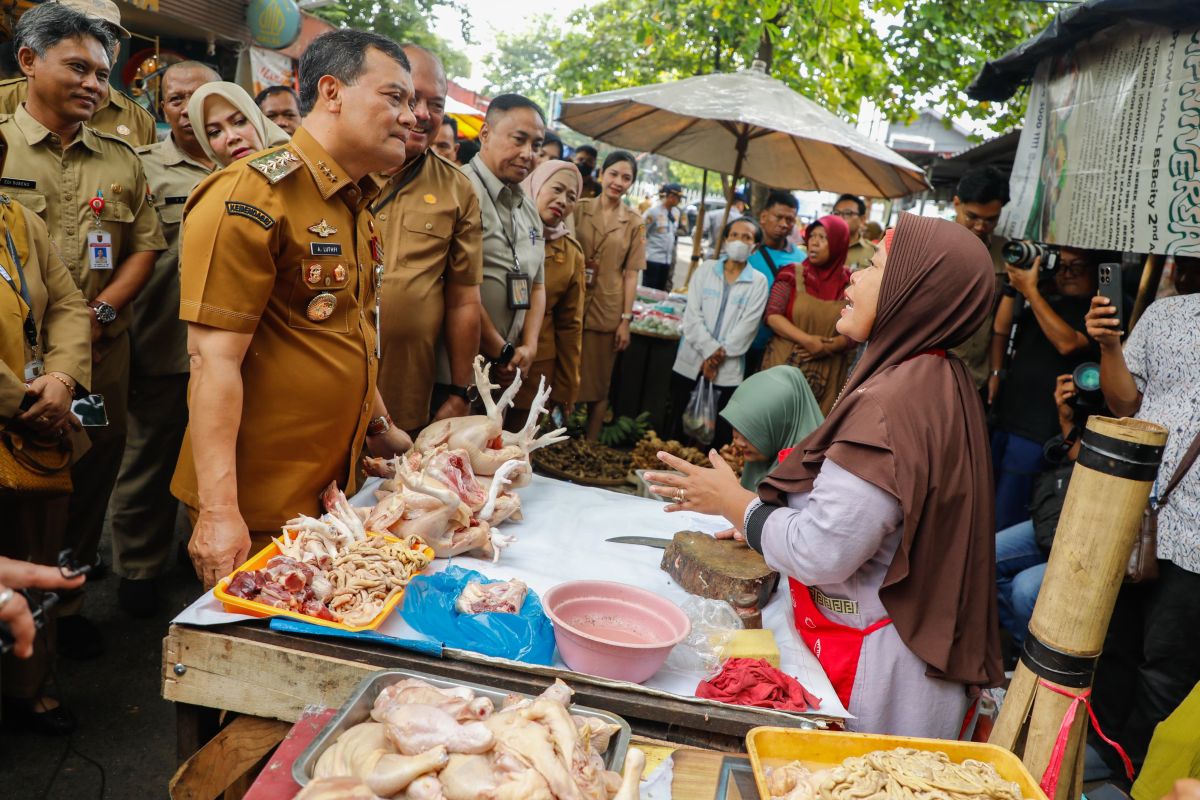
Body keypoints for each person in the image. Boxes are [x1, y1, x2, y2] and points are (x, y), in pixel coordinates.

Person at [645, 213, 1004, 737]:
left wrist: (735, 504)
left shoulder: (892, 403)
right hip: (897, 649)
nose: (854, 277)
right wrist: (761, 524)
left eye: (874, 265)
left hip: (873, 671)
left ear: (914, 289)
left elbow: (823, 550)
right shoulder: (936, 377)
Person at [172, 30, 416, 590]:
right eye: (395, 98)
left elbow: (344, 330)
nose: (412, 117)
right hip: (256, 506)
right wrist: (218, 512)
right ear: (332, 92)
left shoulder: (355, 203)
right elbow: (213, 361)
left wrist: (380, 427)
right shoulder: (251, 196)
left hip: (330, 497)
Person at [0, 2, 166, 659]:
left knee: (88, 481)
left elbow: (142, 249)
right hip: (12, 361)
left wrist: (99, 318)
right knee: (13, 491)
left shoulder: (121, 159)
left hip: (100, 353)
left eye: (104, 74)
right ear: (29, 62)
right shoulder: (1, 145)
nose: (96, 84)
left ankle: (62, 606)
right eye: (79, 67)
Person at [107, 61, 219, 618]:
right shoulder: (142, 168)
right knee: (148, 461)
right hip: (163, 346)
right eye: (175, 99)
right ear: (163, 106)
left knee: (217, 463)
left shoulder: (247, 162)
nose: (186, 108)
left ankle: (197, 551)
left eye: (197, 97)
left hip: (233, 355)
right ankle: (138, 569)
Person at [1086, 283, 1200, 778]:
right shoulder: (1167, 314)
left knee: (1167, 668)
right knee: (1113, 648)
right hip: (1139, 512)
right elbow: (1124, 404)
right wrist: (1110, 346)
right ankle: (1100, 757)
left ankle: (1134, 777)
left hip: (1197, 538)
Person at [0, 127, 92, 732]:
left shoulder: (19, 221)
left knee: (36, 554)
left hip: (38, 428)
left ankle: (28, 688)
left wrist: (59, 381)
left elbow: (66, 303)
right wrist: (16, 399)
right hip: (18, 413)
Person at [374, 44, 482, 435]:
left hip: (404, 393)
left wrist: (460, 390)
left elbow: (464, 299)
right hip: (321, 389)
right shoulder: (341, 168)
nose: (422, 114)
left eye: (435, 104)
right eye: (410, 98)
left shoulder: (457, 190)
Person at [988, 248, 1102, 530]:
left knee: (1005, 517)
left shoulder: (1099, 311)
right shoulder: (1046, 297)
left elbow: (1069, 343)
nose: (1067, 273)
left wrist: (1030, 291)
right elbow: (1002, 329)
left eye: (1077, 266)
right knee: (983, 503)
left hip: (1039, 429)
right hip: (1007, 417)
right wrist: (1012, 287)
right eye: (1061, 265)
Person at [464, 93, 547, 399]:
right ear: (485, 134)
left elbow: (537, 285)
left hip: (509, 365)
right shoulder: (460, 191)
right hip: (462, 365)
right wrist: (500, 349)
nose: (528, 153)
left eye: (536, 145)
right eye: (519, 139)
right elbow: (458, 288)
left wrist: (529, 346)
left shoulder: (526, 207)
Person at [994, 373, 1082, 655]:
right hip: (1064, 516)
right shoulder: (1099, 399)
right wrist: (1066, 418)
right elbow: (1079, 460)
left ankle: (1034, 662)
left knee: (1025, 589)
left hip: (1101, 532)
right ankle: (1022, 648)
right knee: (987, 555)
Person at [669, 217, 769, 448]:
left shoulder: (758, 282)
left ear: (755, 247)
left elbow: (747, 328)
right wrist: (710, 351)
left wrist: (715, 360)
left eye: (747, 237)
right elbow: (692, 317)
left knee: (716, 437)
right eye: (734, 235)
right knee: (677, 428)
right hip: (690, 362)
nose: (739, 241)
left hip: (727, 369)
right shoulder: (705, 270)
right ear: (725, 240)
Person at [0, 0, 156, 147]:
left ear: (117, 50)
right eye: (78, 29)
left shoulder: (139, 120)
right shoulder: (4, 98)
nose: (94, 43)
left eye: (107, 37)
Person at [573, 151, 645, 441]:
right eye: (614, 174)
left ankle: (588, 444)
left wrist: (625, 320)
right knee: (561, 375)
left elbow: (631, 274)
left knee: (599, 383)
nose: (618, 182)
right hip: (570, 303)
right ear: (602, 173)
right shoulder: (577, 208)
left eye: (626, 178)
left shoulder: (635, 222)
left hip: (607, 309)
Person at [510, 159, 585, 418]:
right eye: (557, 189)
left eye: (571, 196)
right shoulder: (504, 229)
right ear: (536, 185)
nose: (563, 200)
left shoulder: (571, 254)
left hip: (533, 371)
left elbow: (570, 327)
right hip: (485, 357)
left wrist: (565, 388)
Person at [760, 214, 854, 414]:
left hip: (827, 377)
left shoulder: (851, 284)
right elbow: (773, 315)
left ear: (839, 243)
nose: (814, 243)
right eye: (812, 236)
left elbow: (857, 331)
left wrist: (829, 346)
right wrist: (808, 341)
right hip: (784, 364)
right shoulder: (792, 274)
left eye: (823, 237)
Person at [949, 165, 1011, 394]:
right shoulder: (931, 245)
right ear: (957, 203)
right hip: (927, 370)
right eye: (972, 216)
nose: (980, 226)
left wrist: (995, 372)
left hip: (975, 377)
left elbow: (998, 325)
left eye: (991, 219)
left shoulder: (1004, 254)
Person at [718, 366, 823, 491]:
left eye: (752, 432)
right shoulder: (770, 450)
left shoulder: (806, 478)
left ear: (782, 426)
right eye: (736, 427)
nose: (738, 442)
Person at [745, 191, 804, 375]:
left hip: (778, 347)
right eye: (778, 217)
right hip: (741, 343)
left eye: (790, 220)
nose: (784, 224)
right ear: (763, 217)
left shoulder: (800, 259)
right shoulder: (745, 252)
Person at [189, 81, 289, 168]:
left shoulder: (299, 166)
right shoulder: (214, 189)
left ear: (257, 121)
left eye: (240, 121)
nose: (232, 137)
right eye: (215, 132)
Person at [642, 182, 682, 291]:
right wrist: (642, 248)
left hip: (667, 260)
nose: (678, 200)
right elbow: (641, 228)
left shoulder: (676, 212)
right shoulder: (653, 211)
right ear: (669, 196)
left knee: (660, 292)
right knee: (648, 291)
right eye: (676, 197)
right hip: (653, 258)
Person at [833, 193, 875, 272]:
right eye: (836, 213)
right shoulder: (822, 247)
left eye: (847, 213)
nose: (840, 218)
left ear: (862, 219)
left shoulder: (874, 252)